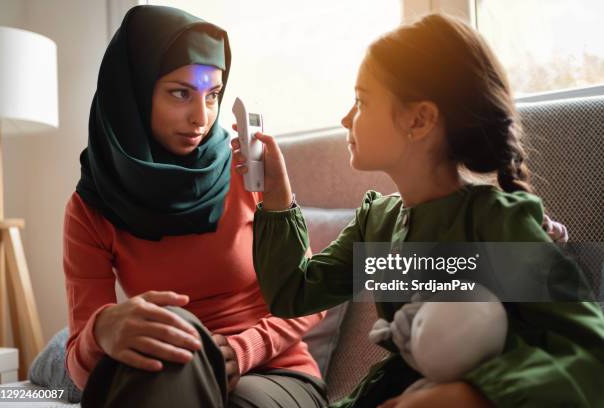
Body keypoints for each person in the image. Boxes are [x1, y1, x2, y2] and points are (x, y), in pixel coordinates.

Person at [233, 13, 604, 408]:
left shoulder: (494, 222)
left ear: (419, 119)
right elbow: (293, 294)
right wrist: (277, 198)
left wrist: (470, 394)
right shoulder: (377, 224)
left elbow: (589, 356)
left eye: (360, 101)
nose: (346, 118)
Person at [63, 5, 327, 407]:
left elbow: (310, 296)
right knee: (172, 347)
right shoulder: (92, 207)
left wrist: (245, 348)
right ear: (133, 91)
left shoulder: (247, 173)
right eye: (180, 93)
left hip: (270, 372)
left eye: (213, 95)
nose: (201, 117)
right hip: (167, 371)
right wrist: (101, 331)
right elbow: (83, 372)